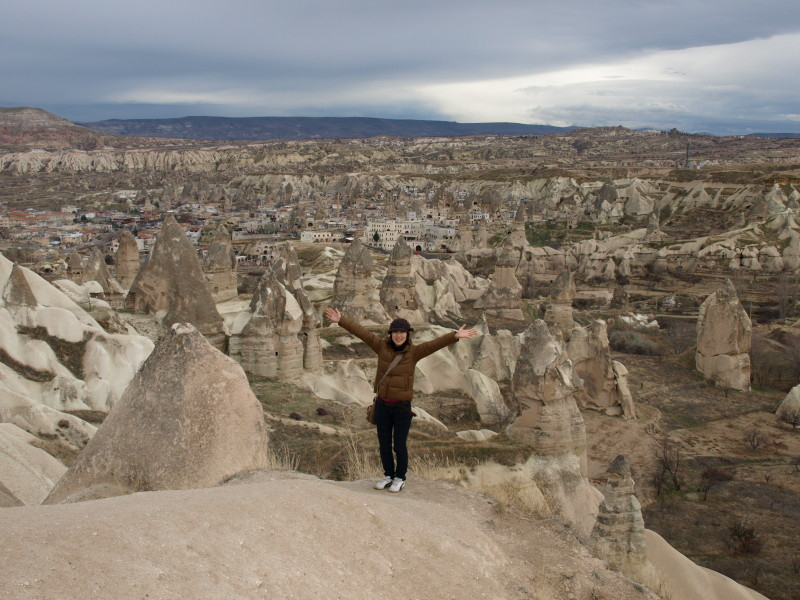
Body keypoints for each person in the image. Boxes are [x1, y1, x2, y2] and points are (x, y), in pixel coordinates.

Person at [324, 307, 477, 493]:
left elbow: (434, 344)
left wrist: (455, 335)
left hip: (402, 408)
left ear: (407, 334)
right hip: (382, 405)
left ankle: (400, 478)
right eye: (395, 332)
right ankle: (388, 475)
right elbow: (363, 333)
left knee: (399, 445)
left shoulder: (414, 352)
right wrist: (341, 320)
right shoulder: (381, 347)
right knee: (384, 444)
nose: (398, 335)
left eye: (402, 332)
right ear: (391, 334)